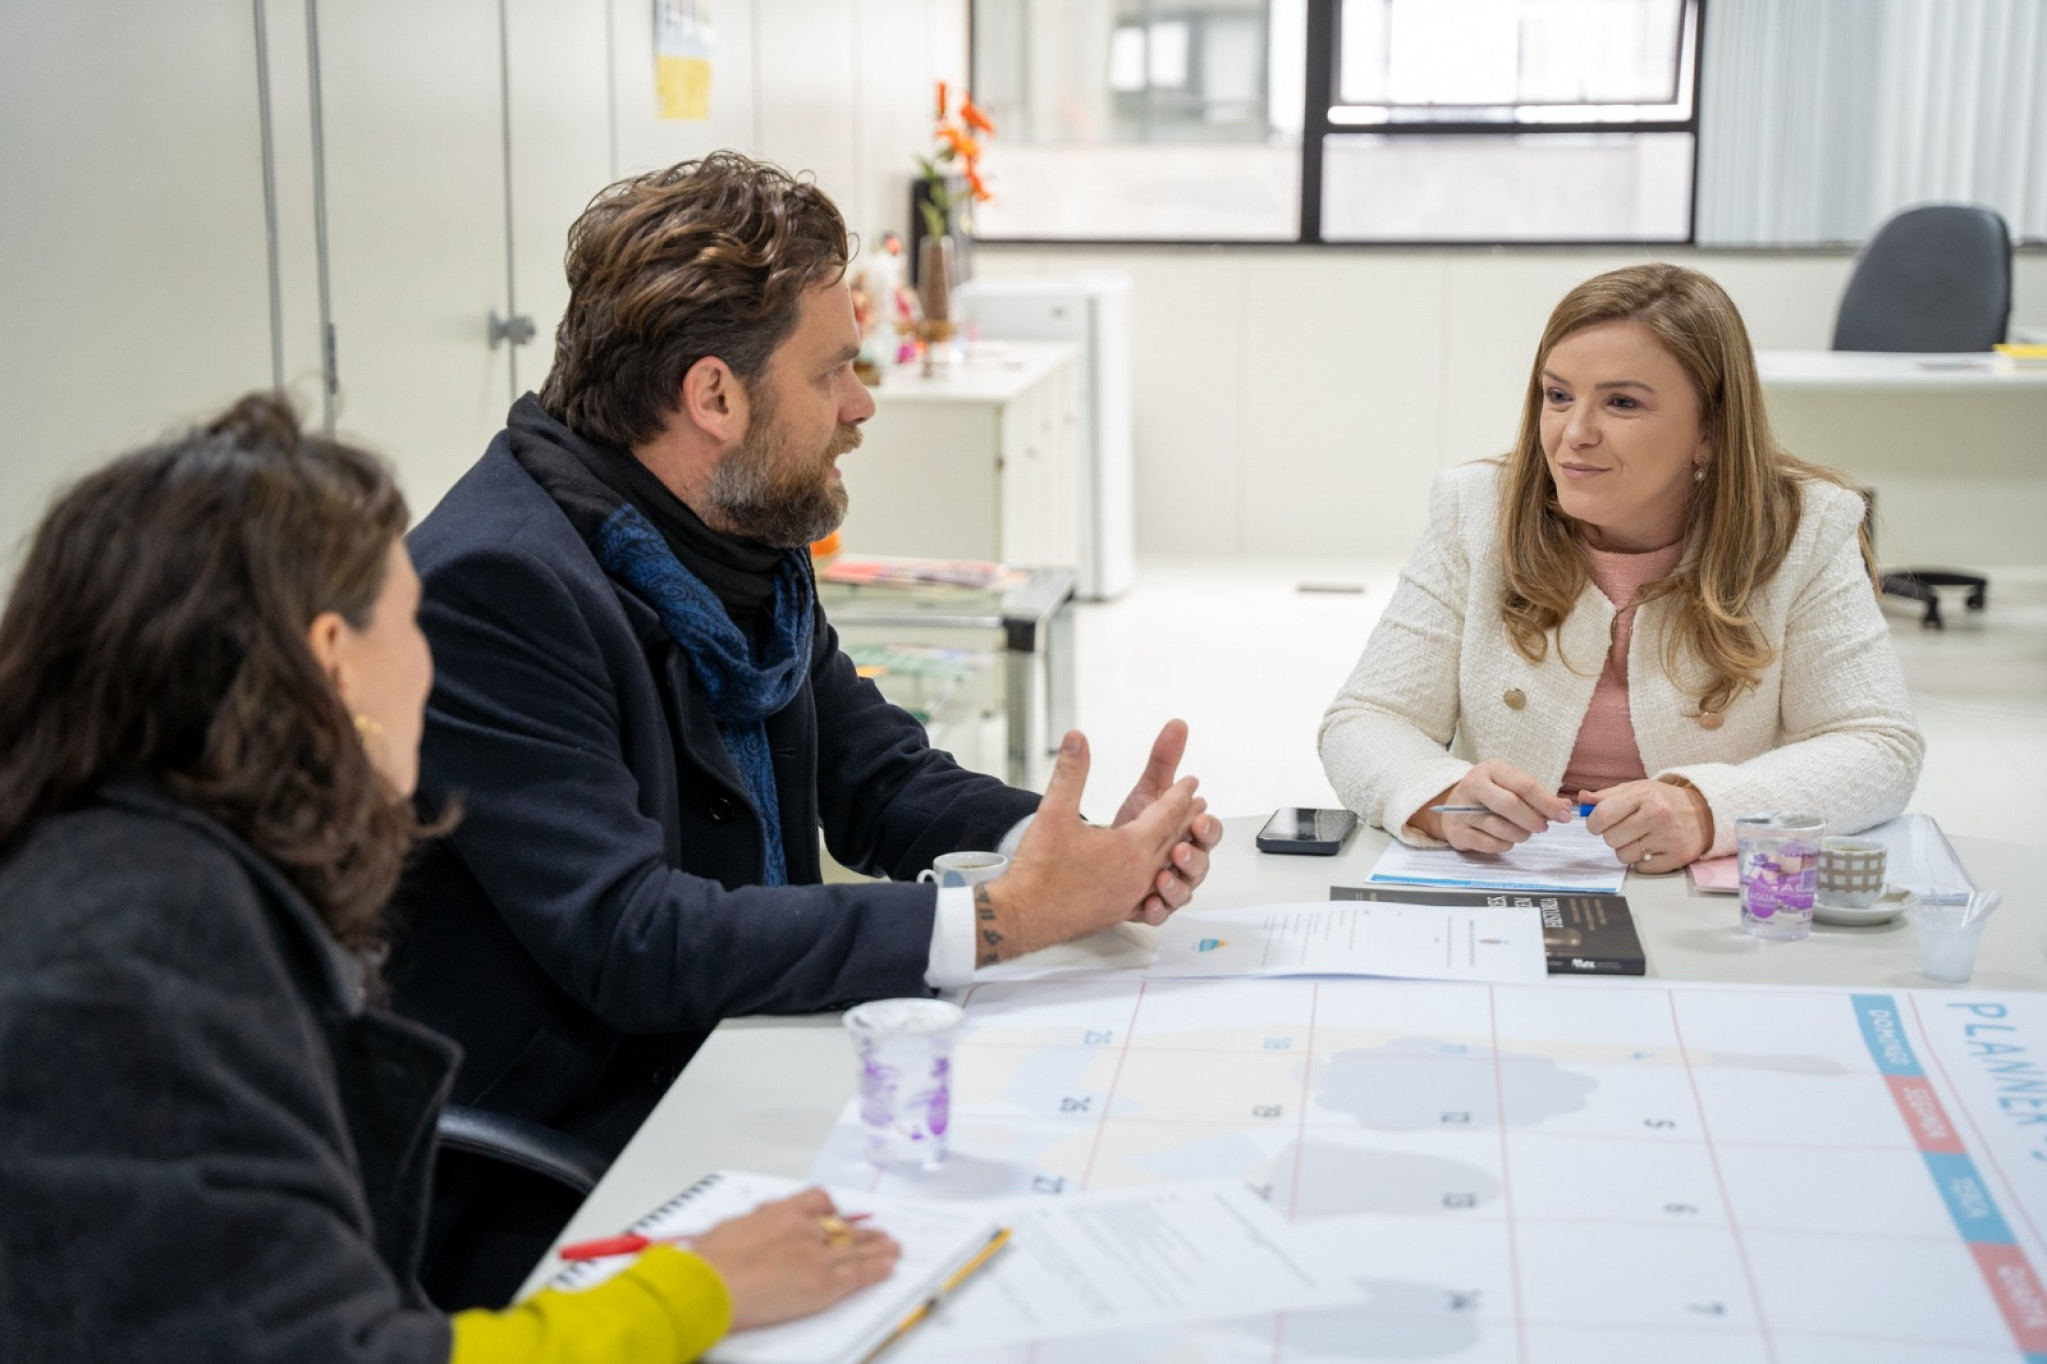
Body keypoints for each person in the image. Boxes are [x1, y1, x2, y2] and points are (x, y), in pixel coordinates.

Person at [388, 151, 1220, 1289]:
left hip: (733, 1061)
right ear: (714, 396)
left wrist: (1070, 845)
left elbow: (876, 779)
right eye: (835, 370)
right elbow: (634, 936)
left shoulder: (726, 537)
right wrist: (994, 921)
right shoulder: (497, 583)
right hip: (571, 1162)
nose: (862, 401)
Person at [0, 395, 902, 1363]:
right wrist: (697, 1288)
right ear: (334, 659)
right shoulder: (145, 952)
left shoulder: (143, 867)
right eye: (408, 618)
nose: (429, 663)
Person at [1319, 263, 1923, 871]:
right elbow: (1368, 719)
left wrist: (1709, 810)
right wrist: (1439, 795)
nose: (1573, 434)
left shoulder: (1806, 525)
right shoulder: (1474, 508)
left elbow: (1877, 746)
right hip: (1508, 883)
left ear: (1710, 429)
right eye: (1557, 396)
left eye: (1622, 403)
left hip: (1701, 897)